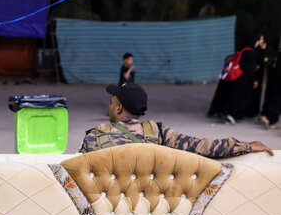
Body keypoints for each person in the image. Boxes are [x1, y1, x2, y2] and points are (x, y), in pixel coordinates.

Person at [80, 82, 274, 158]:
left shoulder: (93, 137)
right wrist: (247, 146)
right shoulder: (160, 134)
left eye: (111, 102)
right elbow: (204, 147)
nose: (109, 106)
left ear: (119, 108)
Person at [208, 34, 263, 124]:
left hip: (237, 78)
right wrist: (254, 80)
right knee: (243, 98)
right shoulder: (251, 52)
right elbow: (249, 68)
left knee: (235, 97)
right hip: (245, 80)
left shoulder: (243, 50)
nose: (261, 41)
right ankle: (231, 115)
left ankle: (227, 113)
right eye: (260, 39)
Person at [262, 49, 281, 130]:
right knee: (277, 103)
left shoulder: (276, 62)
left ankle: (272, 121)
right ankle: (269, 118)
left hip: (275, 84)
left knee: (275, 101)